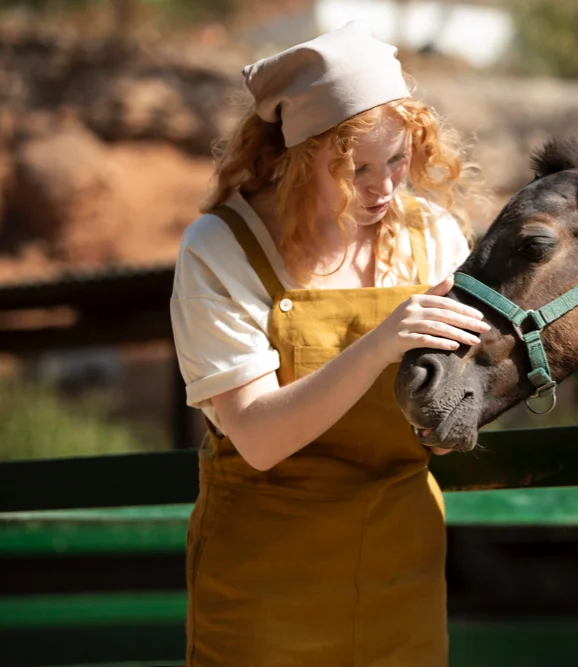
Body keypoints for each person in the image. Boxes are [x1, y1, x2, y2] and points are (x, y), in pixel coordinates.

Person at [169, 22, 490, 667]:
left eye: (398, 159)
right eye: (354, 168)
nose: (384, 187)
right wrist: (377, 346)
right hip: (264, 583)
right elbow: (257, 438)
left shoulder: (433, 234)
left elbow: (473, 386)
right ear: (295, 156)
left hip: (404, 567)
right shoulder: (220, 247)